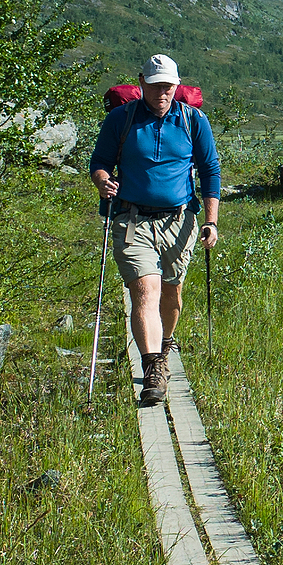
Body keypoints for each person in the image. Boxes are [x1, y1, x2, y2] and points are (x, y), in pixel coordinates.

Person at [87, 54, 221, 405]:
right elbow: (99, 162)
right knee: (145, 292)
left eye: (168, 86)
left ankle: (164, 344)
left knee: (170, 293)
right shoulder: (121, 118)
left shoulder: (193, 120)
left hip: (180, 221)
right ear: (142, 83)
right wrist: (103, 181)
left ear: (177, 86)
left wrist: (211, 221)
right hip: (132, 221)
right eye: (156, 84)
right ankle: (153, 368)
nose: (162, 92)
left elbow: (210, 171)